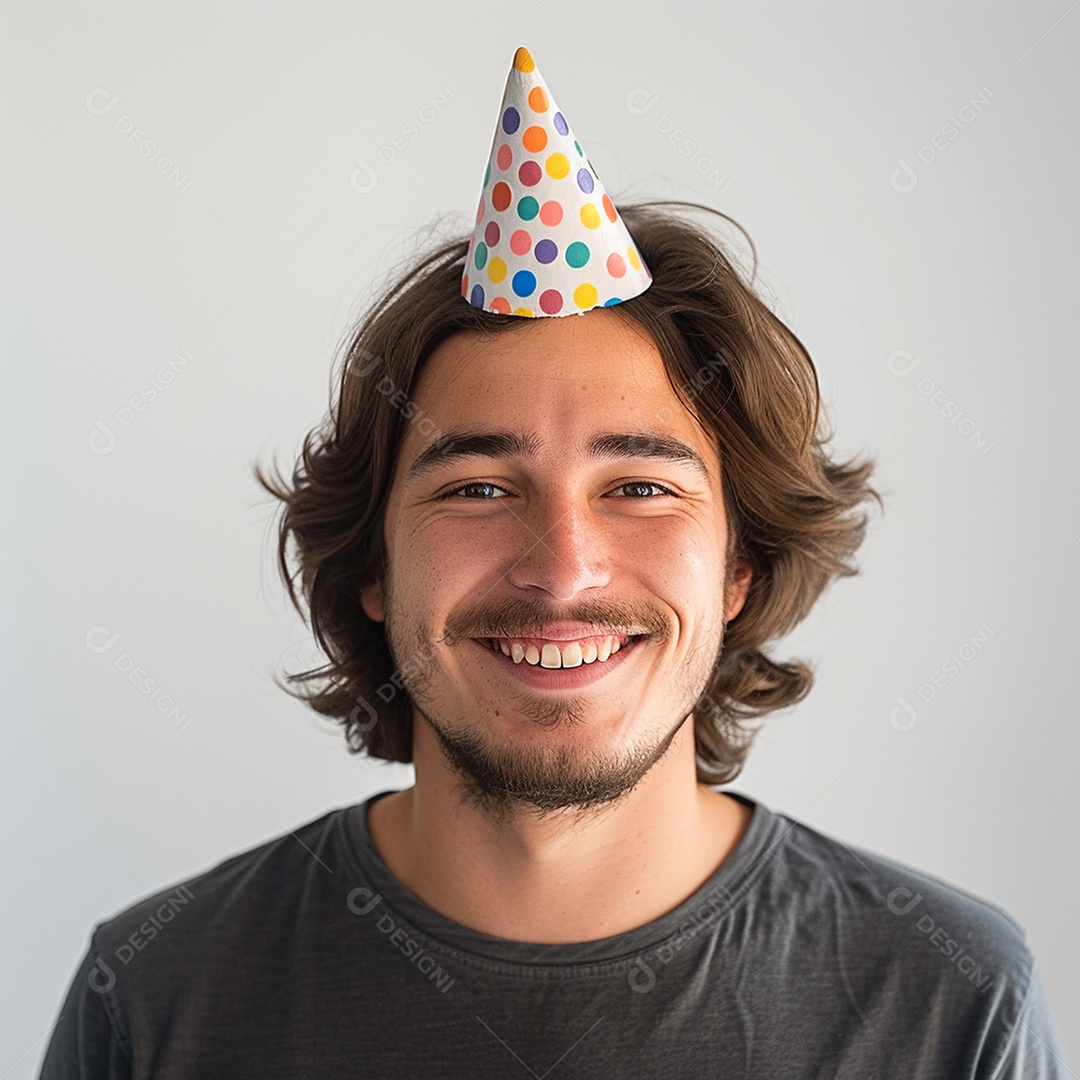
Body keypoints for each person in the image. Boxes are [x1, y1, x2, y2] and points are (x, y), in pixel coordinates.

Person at [40, 48, 1070, 1079]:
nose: (564, 570)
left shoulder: (950, 1004)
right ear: (374, 570)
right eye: (478, 488)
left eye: (640, 488)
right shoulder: (155, 997)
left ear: (739, 567)